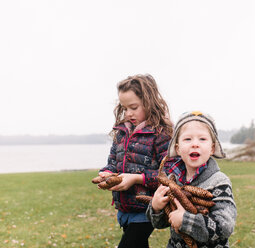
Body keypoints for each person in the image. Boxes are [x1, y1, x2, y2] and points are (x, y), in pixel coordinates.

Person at [97, 74, 173, 248]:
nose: (128, 113)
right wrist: (107, 173)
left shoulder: (160, 134)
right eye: (124, 108)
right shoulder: (122, 133)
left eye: (133, 107)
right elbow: (112, 163)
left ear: (149, 102)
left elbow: (169, 175)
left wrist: (136, 178)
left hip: (145, 210)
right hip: (124, 207)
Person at [147, 111, 237, 248]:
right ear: (177, 148)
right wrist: (156, 207)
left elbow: (224, 227)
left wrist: (186, 221)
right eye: (187, 139)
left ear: (212, 148)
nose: (195, 144)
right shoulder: (172, 180)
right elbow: (160, 223)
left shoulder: (219, 182)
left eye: (202, 139)